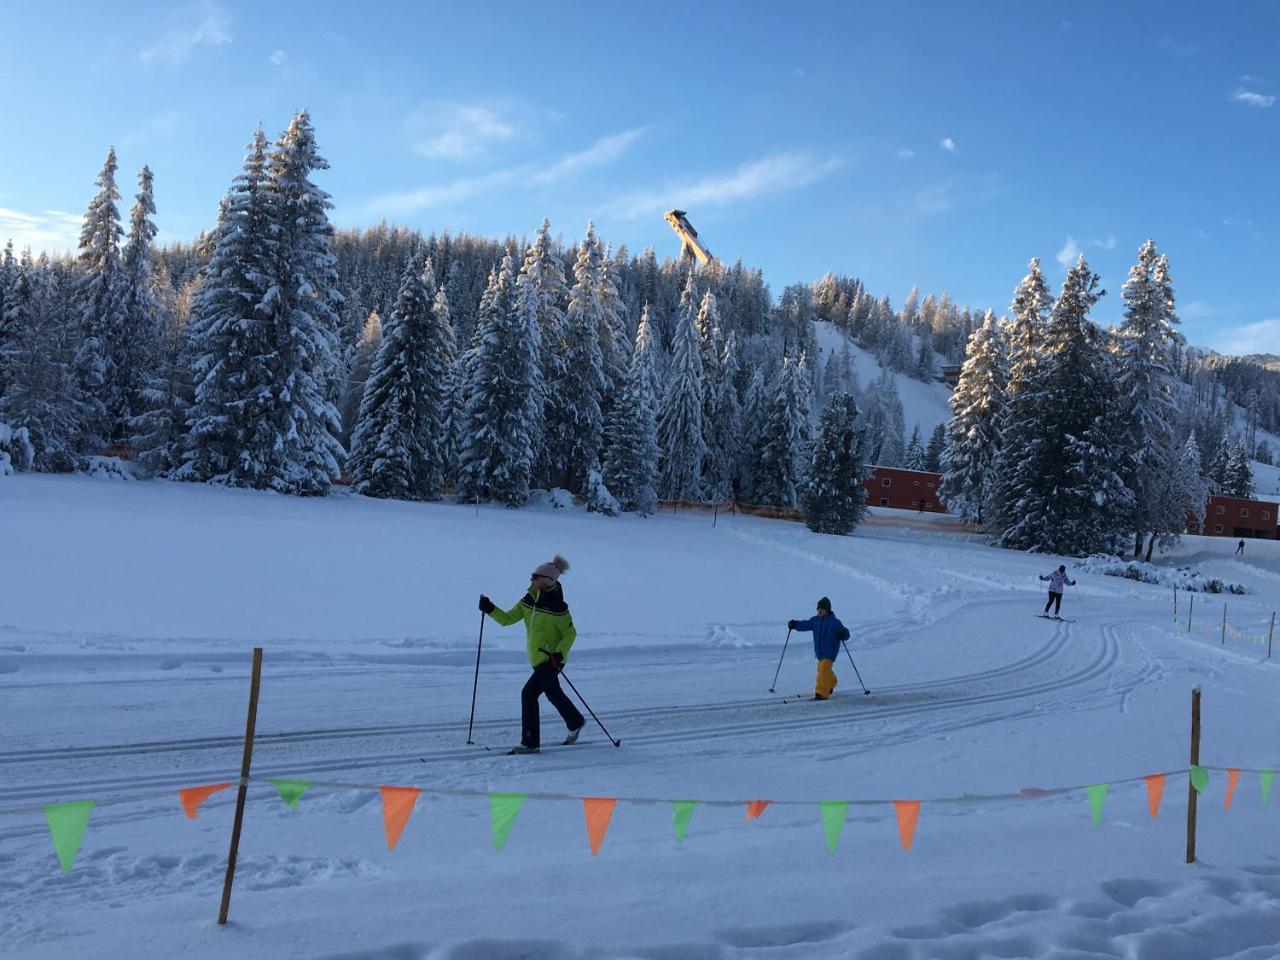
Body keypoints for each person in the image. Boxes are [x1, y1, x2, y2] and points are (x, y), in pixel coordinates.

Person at [479, 555, 584, 754]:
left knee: (528, 694)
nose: (531, 581)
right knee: (553, 693)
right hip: (537, 660)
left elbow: (570, 633)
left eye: (534, 577)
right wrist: (490, 609)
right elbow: (508, 619)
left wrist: (559, 654)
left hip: (552, 661)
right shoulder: (528, 600)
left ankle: (530, 742)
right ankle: (575, 721)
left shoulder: (558, 608)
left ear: (545, 581)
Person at [788, 597, 850, 701]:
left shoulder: (835, 622)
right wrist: (795, 624)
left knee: (824, 669)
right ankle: (831, 682)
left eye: (822, 609)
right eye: (818, 609)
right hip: (820, 652)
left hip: (830, 651)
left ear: (828, 610)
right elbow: (805, 624)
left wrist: (843, 634)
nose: (820, 611)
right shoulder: (815, 620)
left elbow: (846, 634)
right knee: (822, 669)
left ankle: (821, 693)